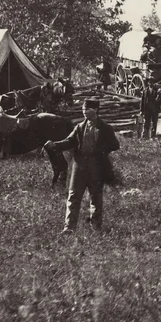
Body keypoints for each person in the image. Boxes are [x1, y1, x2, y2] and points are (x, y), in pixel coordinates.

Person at [45, 98, 120, 233]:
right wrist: (54, 145)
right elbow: (69, 141)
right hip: (79, 167)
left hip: (97, 168)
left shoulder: (105, 128)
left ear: (96, 110)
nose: (85, 112)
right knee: (73, 197)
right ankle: (69, 228)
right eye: (83, 109)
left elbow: (115, 145)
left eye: (88, 109)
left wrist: (101, 152)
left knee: (96, 198)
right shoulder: (79, 127)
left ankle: (96, 227)